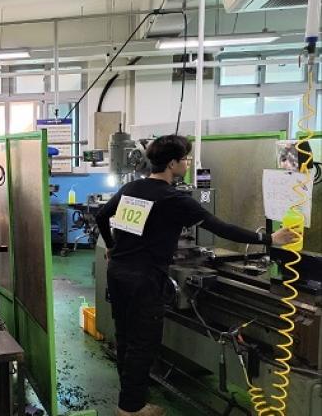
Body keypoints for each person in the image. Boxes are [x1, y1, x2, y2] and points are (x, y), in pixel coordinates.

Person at [95, 135, 296, 416]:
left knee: (126, 337)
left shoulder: (132, 188)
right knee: (143, 343)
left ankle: (130, 397)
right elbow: (220, 227)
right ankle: (131, 408)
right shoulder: (174, 199)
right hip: (145, 280)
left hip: (118, 273)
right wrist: (269, 239)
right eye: (185, 159)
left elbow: (102, 215)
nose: (188, 163)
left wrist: (111, 246)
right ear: (172, 163)